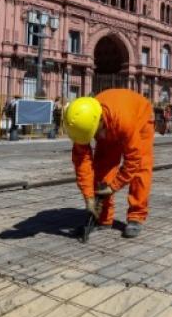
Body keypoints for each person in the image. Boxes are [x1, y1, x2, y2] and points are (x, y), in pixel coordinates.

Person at [64, 89, 154, 238]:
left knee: (141, 168)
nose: (94, 137)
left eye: (95, 134)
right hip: (111, 123)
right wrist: (89, 197)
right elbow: (82, 164)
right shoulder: (81, 123)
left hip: (139, 117)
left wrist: (113, 186)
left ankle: (136, 216)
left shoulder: (124, 121)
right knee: (102, 168)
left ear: (99, 121)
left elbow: (133, 160)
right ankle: (103, 218)